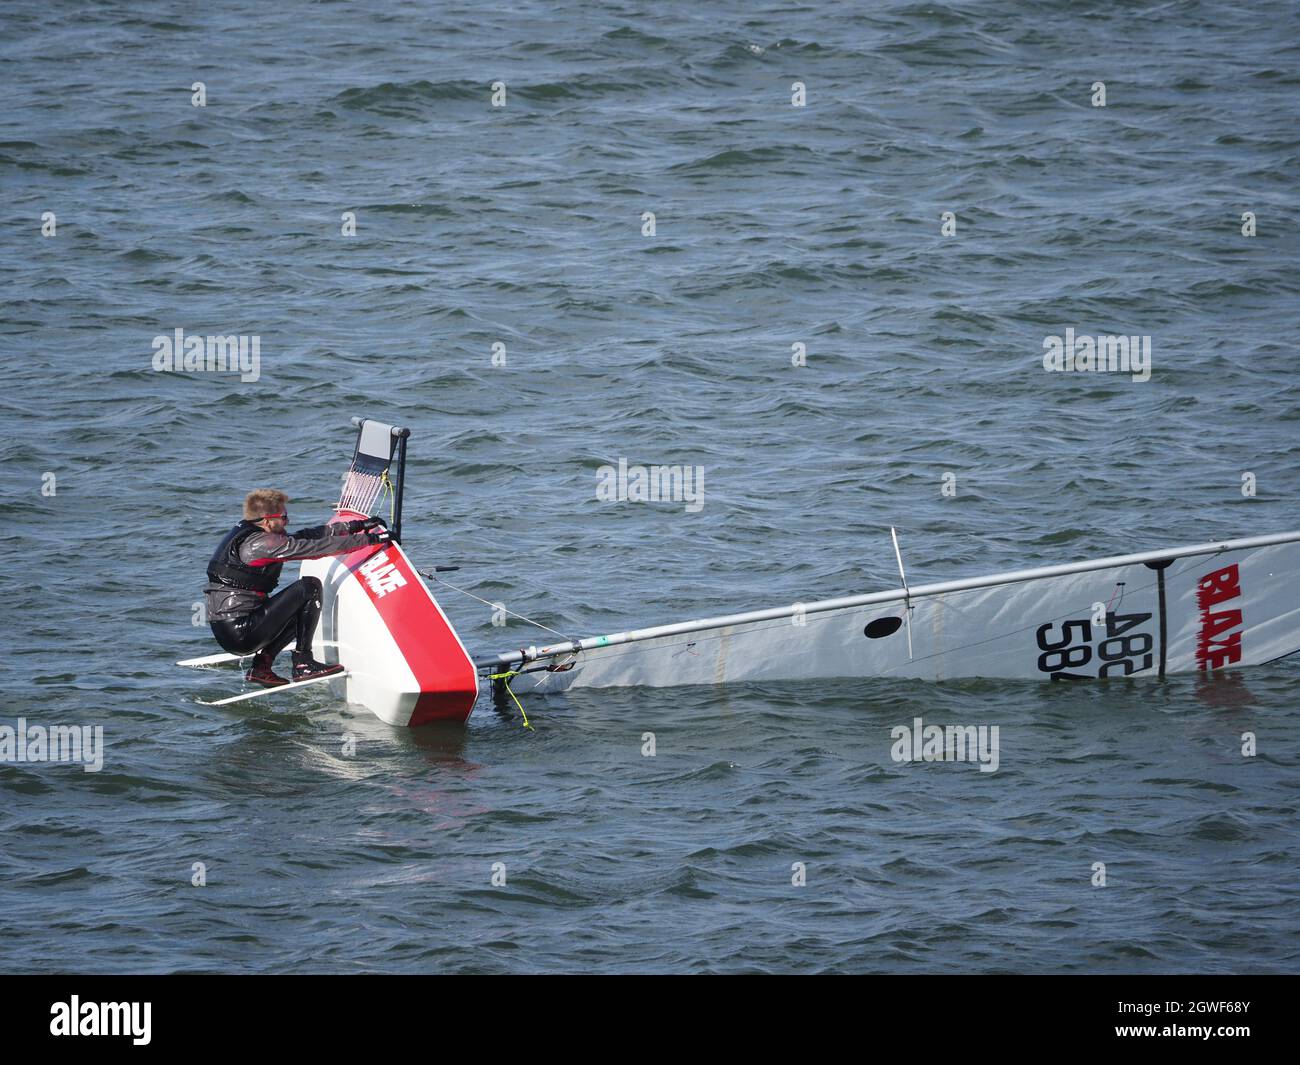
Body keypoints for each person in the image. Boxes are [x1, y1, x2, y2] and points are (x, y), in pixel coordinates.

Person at [205, 489, 390, 687]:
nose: (287, 521)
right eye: (284, 517)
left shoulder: (255, 534)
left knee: (301, 610)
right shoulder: (259, 544)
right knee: (309, 588)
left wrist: (355, 526)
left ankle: (262, 666)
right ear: (267, 521)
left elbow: (306, 537)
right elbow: (314, 548)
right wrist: (369, 540)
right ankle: (303, 663)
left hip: (233, 629)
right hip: (241, 632)